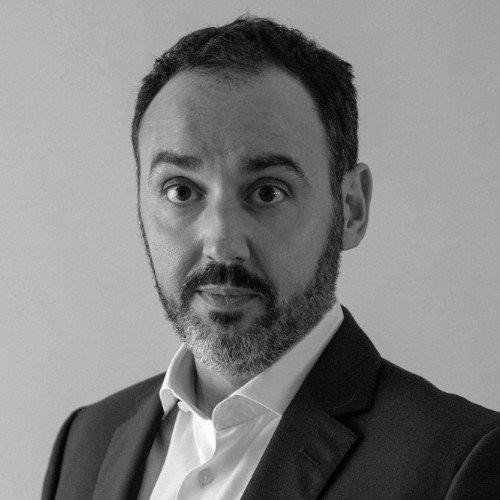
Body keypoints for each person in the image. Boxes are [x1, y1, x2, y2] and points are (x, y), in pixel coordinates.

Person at [42, 16, 499, 499]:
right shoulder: (85, 442)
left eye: (267, 192)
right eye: (181, 190)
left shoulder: (463, 464)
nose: (221, 244)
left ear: (351, 209)